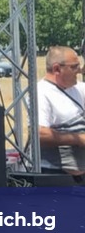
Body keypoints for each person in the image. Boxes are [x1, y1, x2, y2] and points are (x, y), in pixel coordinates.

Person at [38, 46, 85, 178]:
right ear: (57, 69)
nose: (79, 70)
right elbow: (40, 134)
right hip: (56, 174)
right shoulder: (41, 92)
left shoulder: (78, 88)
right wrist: (78, 139)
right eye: (74, 67)